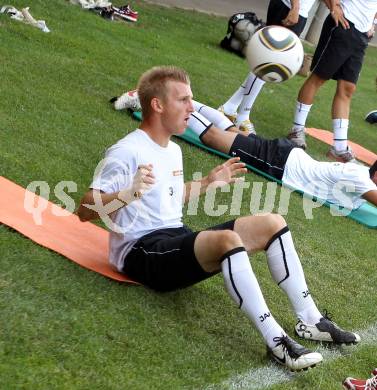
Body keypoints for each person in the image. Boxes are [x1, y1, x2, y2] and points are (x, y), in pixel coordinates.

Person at [79, 66, 360, 372]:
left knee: (272, 222)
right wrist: (128, 193)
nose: (191, 107)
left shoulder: (172, 149)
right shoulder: (126, 150)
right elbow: (84, 210)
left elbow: (168, 196)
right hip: (140, 252)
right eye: (183, 100)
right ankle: (277, 342)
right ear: (157, 105)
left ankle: (310, 319)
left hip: (172, 236)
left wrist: (209, 183)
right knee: (228, 241)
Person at [113, 90, 377, 210]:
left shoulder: (360, 175)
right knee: (214, 138)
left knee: (230, 133)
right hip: (280, 162)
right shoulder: (360, 178)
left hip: (287, 156)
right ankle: (149, 99)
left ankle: (186, 102)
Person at [288, 0, 377, 161]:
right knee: (319, 77)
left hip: (362, 35)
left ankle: (339, 147)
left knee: (348, 88)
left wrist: (374, 23)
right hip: (342, 24)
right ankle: (296, 130)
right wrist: (333, 7)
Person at [219, 0, 317, 133]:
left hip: (295, 10)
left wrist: (334, 8)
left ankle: (229, 107)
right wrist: (295, 8)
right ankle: (242, 117)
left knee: (268, 62)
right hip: (289, 8)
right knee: (267, 62)